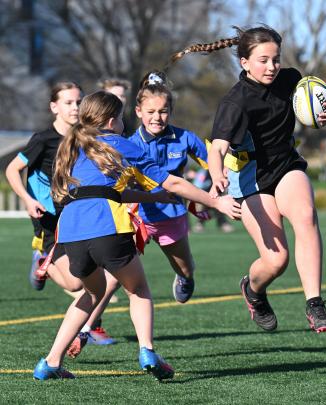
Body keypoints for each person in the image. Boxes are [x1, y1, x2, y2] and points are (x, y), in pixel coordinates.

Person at [33, 90, 240, 380]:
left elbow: (105, 190)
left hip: (71, 233)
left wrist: (156, 199)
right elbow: (174, 181)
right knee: (138, 290)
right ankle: (147, 351)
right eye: (121, 118)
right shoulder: (119, 143)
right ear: (110, 121)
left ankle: (49, 363)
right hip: (106, 227)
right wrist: (216, 201)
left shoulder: (73, 144)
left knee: (91, 294)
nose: (123, 124)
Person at [171, 25, 326, 333]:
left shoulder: (292, 79)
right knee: (277, 260)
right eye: (263, 60)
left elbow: (325, 99)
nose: (272, 67)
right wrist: (216, 176)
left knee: (305, 216)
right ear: (244, 62)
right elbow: (218, 148)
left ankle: (315, 305)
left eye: (276, 59)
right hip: (250, 178)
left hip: (285, 164)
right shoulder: (235, 102)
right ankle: (253, 290)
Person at [5, 81, 118, 346]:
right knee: (75, 285)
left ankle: (89, 326)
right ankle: (41, 257)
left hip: (74, 216)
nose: (75, 107)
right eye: (68, 102)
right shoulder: (42, 140)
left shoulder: (84, 138)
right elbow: (12, 169)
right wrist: (27, 199)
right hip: (47, 218)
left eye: (79, 101)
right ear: (54, 107)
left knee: (87, 277)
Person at [129, 71, 216, 304]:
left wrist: (214, 189)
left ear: (170, 112)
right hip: (137, 217)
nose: (157, 117)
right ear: (139, 112)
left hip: (171, 215)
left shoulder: (184, 137)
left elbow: (214, 164)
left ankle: (184, 278)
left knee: (186, 269)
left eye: (163, 111)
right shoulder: (129, 145)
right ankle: (90, 325)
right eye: (150, 112)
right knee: (117, 274)